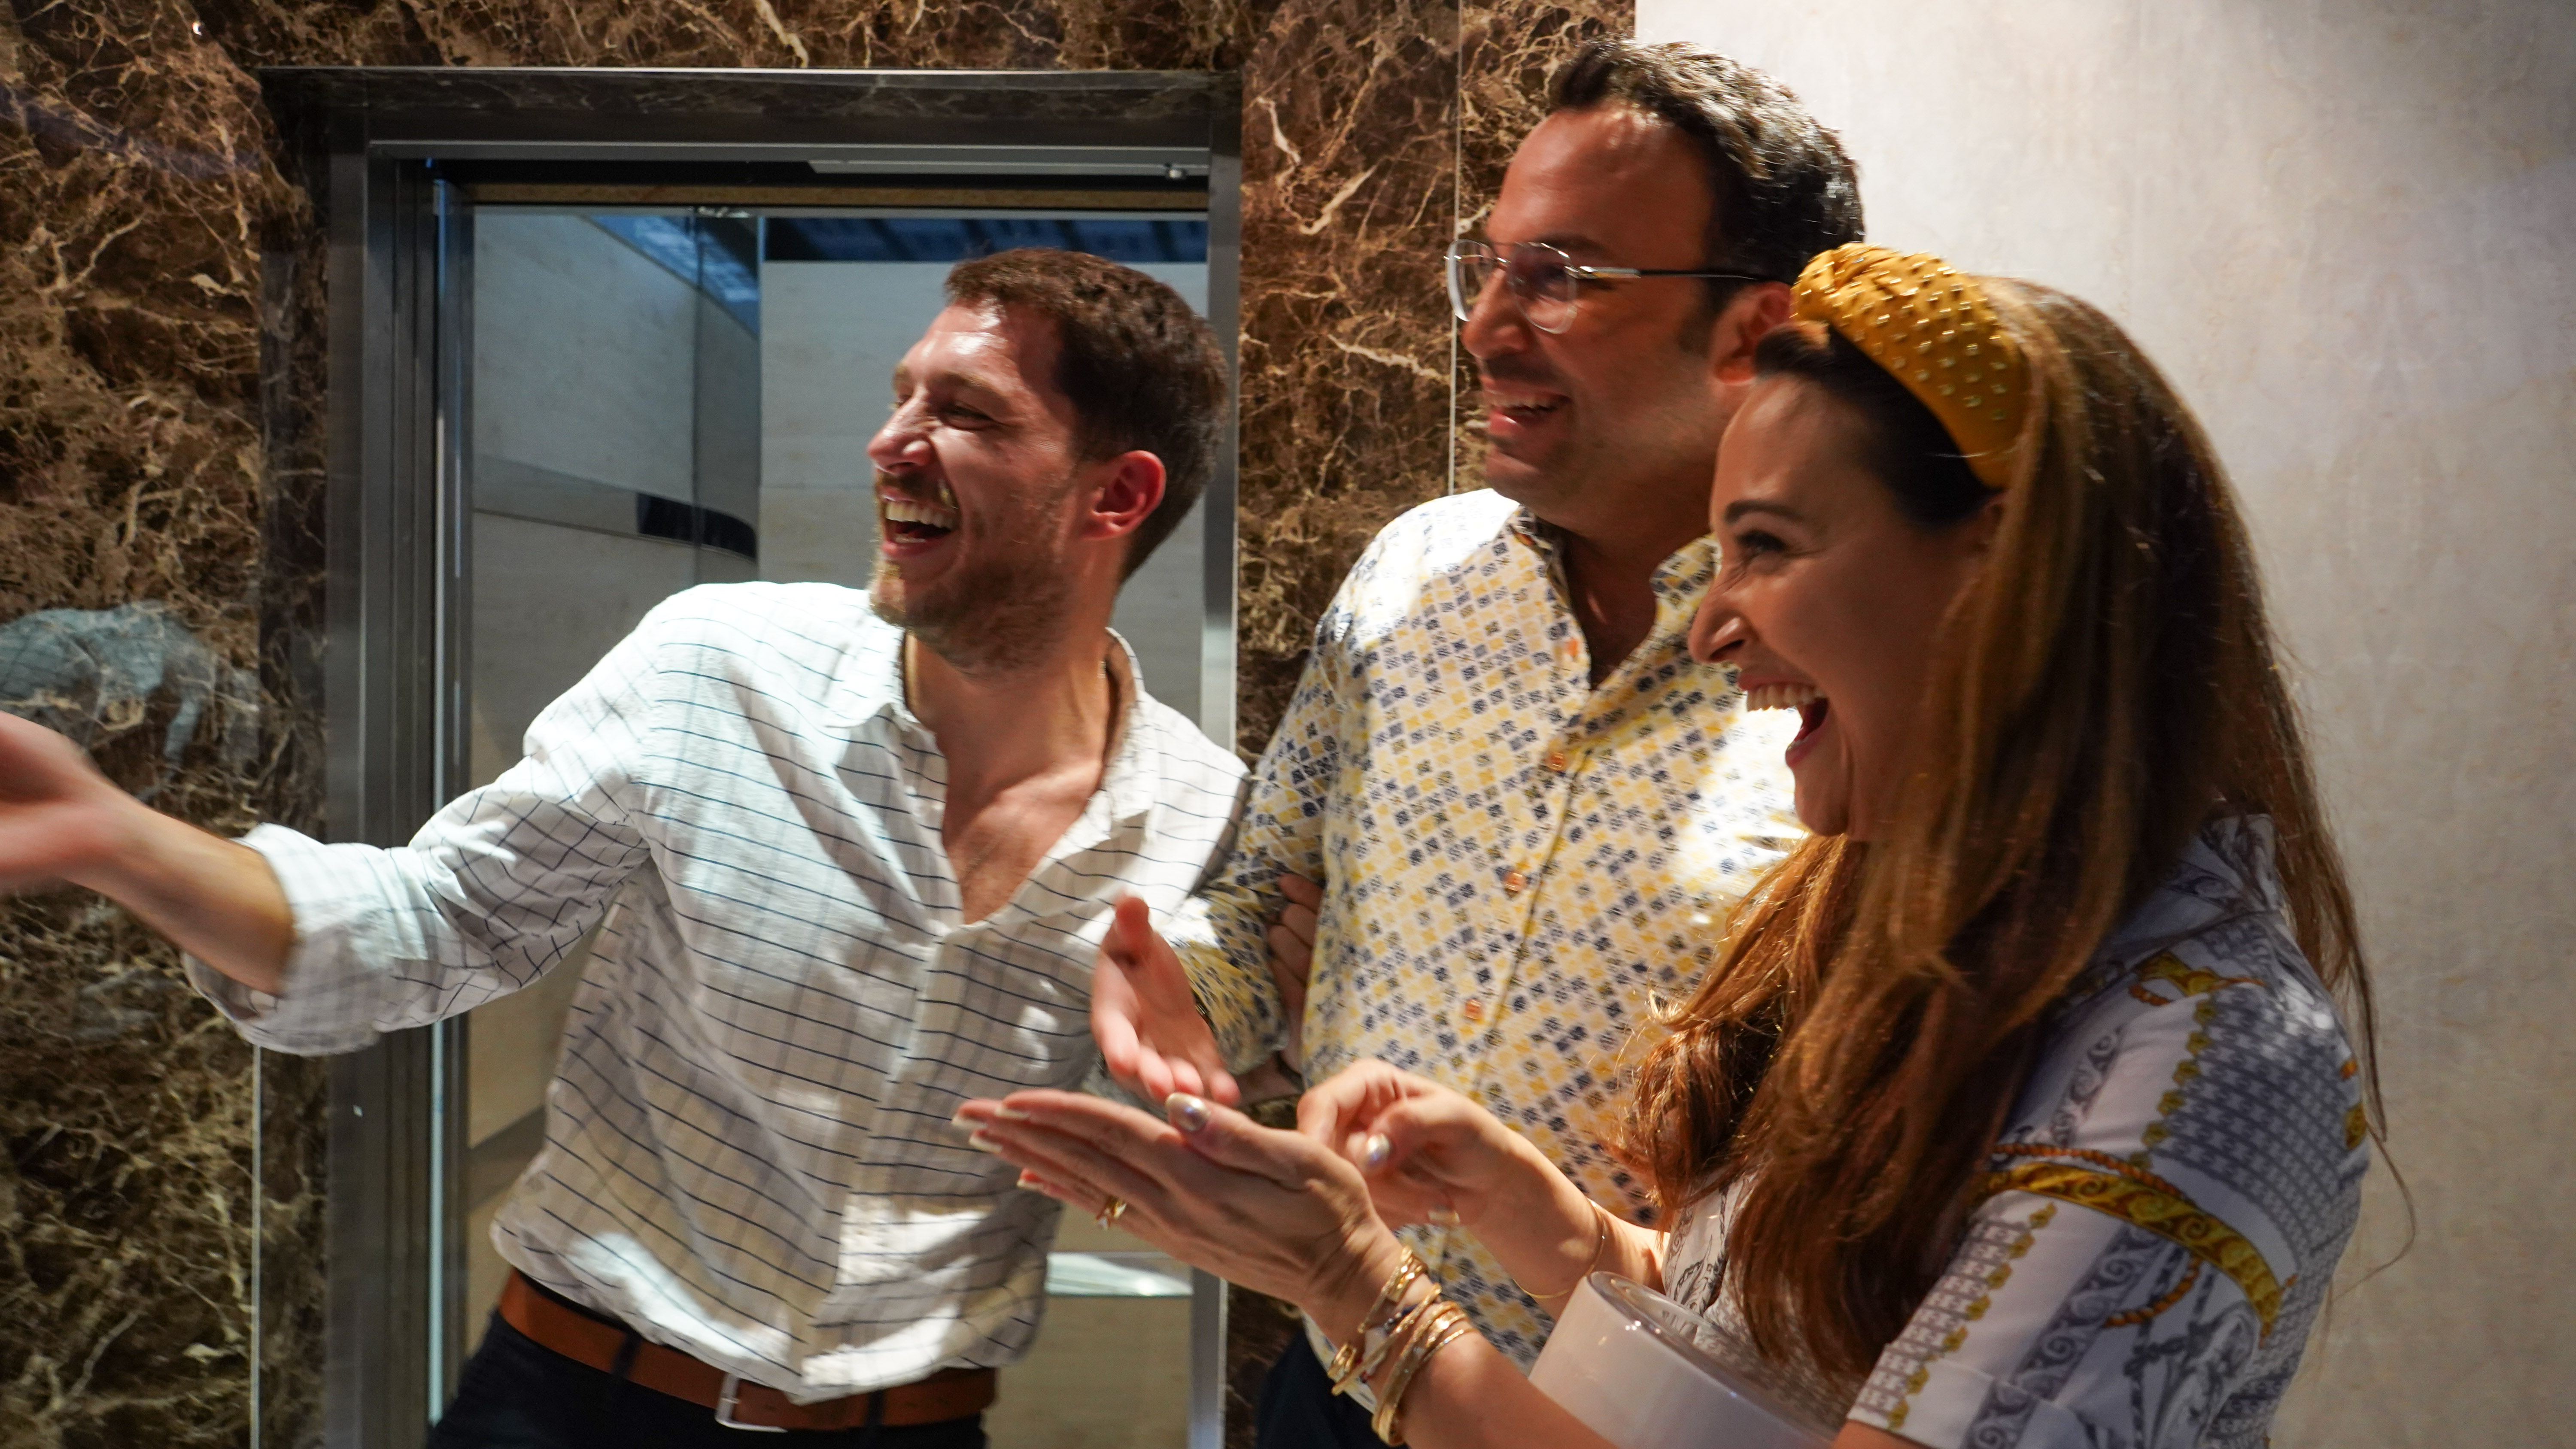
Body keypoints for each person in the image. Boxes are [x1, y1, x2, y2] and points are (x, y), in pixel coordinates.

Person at [963, 244, 2379, 1449]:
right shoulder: (1926, 918)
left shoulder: (2207, 1047)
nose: (1713, 624)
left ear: (2003, 567)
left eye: (1767, 548)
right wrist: (1545, 1219)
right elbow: (1801, 1358)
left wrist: (1354, 1285)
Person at [0, 249, 1245, 1446]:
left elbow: (1235, 1136)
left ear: (1116, 496)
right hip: (570, 1404)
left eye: (963, 411)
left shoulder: (1203, 819)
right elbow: (440, 921)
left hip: (913, 1428)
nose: (889, 441)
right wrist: (121, 840)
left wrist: (1211, 1092)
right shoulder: (720, 665)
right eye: (900, 395)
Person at [1090, 41, 1862, 1442]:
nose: (1487, 327)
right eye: (1487, 267)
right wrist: (1187, 997)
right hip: (1336, 1382)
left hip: (1632, 1425)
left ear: (1754, 331)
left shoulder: (1853, 674)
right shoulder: (1411, 578)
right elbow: (1268, 897)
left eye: (1560, 276)